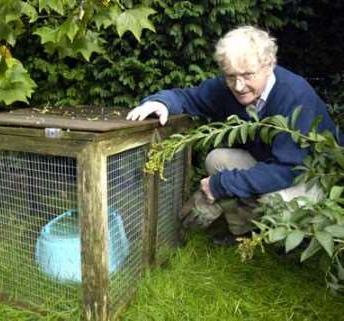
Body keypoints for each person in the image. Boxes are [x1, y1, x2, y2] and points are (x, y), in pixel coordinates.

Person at [126, 25, 343, 245]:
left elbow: (288, 170)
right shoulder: (226, 88)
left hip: (315, 177)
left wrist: (220, 185)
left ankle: (294, 237)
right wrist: (161, 102)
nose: (239, 86)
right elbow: (187, 97)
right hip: (272, 164)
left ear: (268, 66)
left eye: (248, 75)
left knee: (273, 200)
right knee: (217, 159)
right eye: (231, 76)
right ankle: (243, 233)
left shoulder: (295, 96)